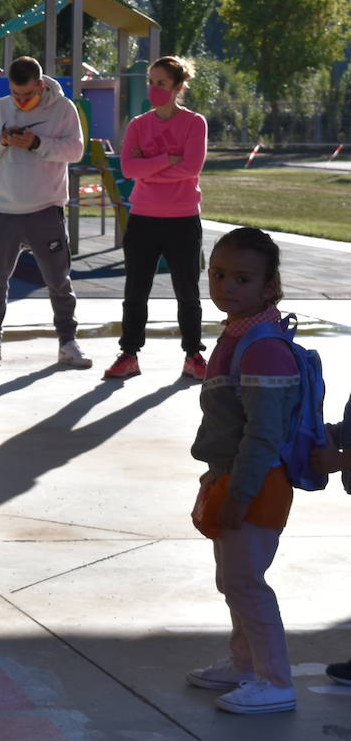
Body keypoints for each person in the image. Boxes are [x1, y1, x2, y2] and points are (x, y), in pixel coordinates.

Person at [186, 227, 297, 715]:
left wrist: (239, 494)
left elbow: (263, 435)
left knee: (247, 584)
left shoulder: (261, 346)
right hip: (235, 477)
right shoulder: (240, 334)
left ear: (270, 286)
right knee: (234, 580)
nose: (226, 286)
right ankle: (244, 664)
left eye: (242, 279)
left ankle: (275, 682)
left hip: (256, 483)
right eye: (218, 274)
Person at [0, 56, 91, 369]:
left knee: (58, 280)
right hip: (2, 209)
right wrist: (2, 140)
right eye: (16, 94)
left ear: (41, 85)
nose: (21, 101)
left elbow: (75, 150)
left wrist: (37, 142)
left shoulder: (64, 108)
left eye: (28, 94)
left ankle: (68, 342)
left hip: (46, 207)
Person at [105, 55, 209, 381]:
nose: (154, 88)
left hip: (183, 219)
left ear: (178, 86)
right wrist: (167, 159)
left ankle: (193, 355)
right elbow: (128, 169)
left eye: (161, 83)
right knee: (135, 291)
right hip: (143, 218)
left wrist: (148, 167)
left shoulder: (194, 123)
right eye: (151, 82)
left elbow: (191, 167)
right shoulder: (138, 125)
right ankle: (129, 355)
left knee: (187, 292)